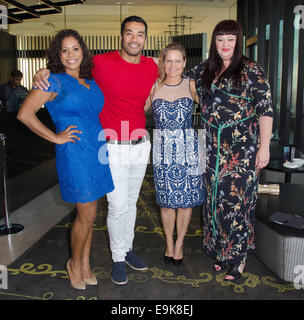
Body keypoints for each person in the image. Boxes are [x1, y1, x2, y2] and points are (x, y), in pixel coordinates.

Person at [33, 16, 158, 285]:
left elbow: (160, 86)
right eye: (129, 33)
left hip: (138, 144)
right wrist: (42, 72)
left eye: (139, 34)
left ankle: (126, 250)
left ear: (145, 38)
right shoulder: (102, 62)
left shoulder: (151, 66)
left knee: (130, 205)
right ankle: (116, 258)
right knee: (116, 206)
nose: (134, 38)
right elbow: (65, 66)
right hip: (110, 147)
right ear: (121, 36)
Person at [17, 29, 114, 290]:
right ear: (57, 55)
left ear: (83, 51)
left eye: (75, 49)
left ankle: (84, 264)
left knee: (91, 215)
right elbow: (25, 114)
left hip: (97, 152)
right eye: (64, 50)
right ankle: (73, 262)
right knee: (87, 212)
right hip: (74, 153)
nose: (71, 55)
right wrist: (56, 137)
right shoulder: (54, 81)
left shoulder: (90, 82)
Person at [185, 20, 273, 281]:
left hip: (242, 149)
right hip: (212, 149)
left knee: (238, 202)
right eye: (220, 39)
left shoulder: (250, 69)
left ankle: (239, 256)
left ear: (238, 41)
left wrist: (264, 147)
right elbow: (186, 78)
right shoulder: (207, 68)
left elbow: (265, 109)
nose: (225, 44)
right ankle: (222, 252)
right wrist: (200, 101)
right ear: (215, 41)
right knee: (215, 202)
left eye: (230, 39)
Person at [145, 43, 206, 266]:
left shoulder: (191, 85)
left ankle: (179, 244)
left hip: (188, 150)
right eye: (168, 60)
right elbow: (133, 107)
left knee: (185, 202)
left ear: (184, 63)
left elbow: (213, 110)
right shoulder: (153, 87)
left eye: (177, 61)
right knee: (167, 203)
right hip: (162, 152)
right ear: (162, 62)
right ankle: (168, 244)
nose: (173, 65)